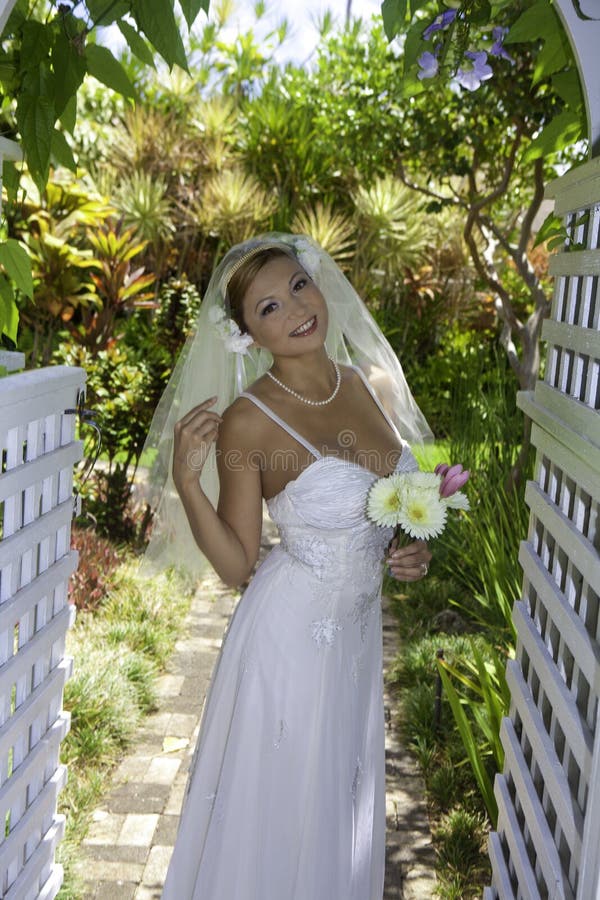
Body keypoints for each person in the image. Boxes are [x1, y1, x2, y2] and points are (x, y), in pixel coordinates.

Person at [142, 233, 435, 899]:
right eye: (268, 308)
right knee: (281, 811)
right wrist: (191, 485)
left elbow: (394, 506)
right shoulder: (251, 422)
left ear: (319, 283)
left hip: (356, 642)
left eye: (297, 287)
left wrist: (412, 547)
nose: (295, 310)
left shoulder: (373, 386)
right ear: (248, 335)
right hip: (288, 642)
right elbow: (237, 564)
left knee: (338, 803)